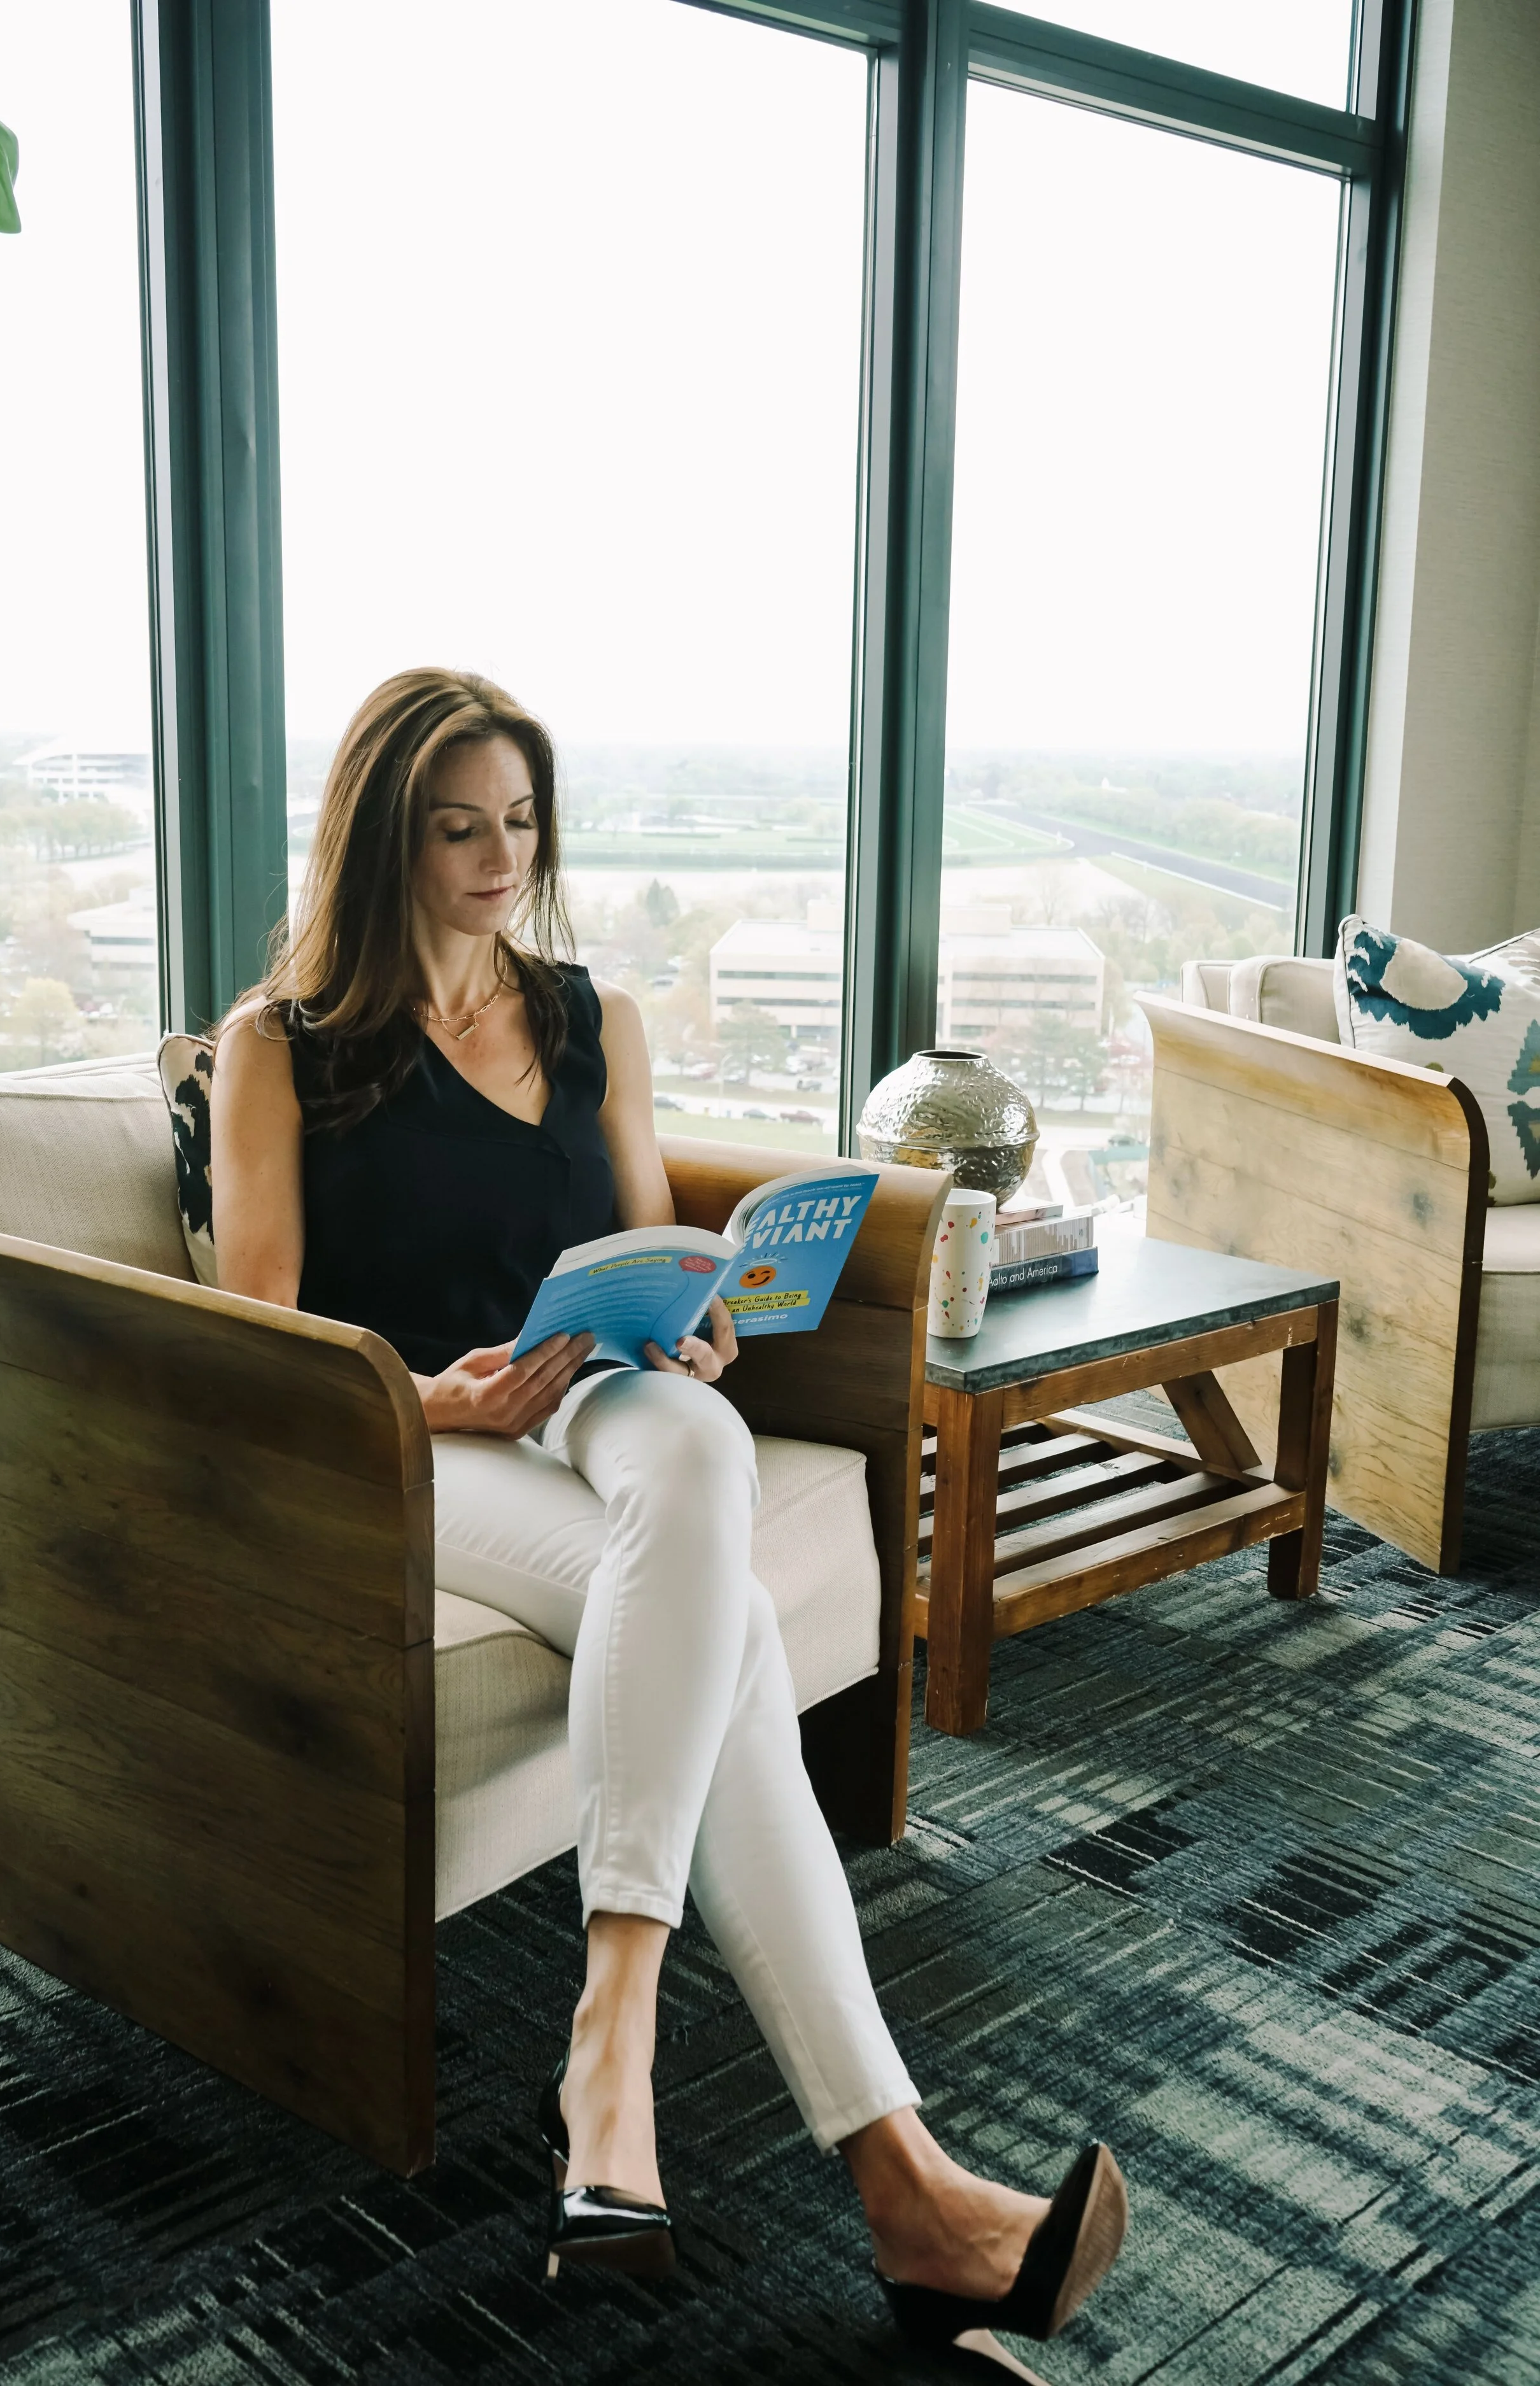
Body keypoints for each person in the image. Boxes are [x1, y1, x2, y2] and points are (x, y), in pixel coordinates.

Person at [209, 666, 1127, 2353]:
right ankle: (903, 2187)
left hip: (600, 1400)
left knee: (694, 1440)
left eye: (521, 821)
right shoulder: (279, 1048)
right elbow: (265, 1334)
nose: (501, 856)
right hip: (418, 1440)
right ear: (381, 842)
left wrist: (699, 1320)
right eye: (458, 826)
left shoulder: (589, 1019)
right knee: (738, 1680)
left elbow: (643, 1236)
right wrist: (438, 1395)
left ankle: (612, 2035)